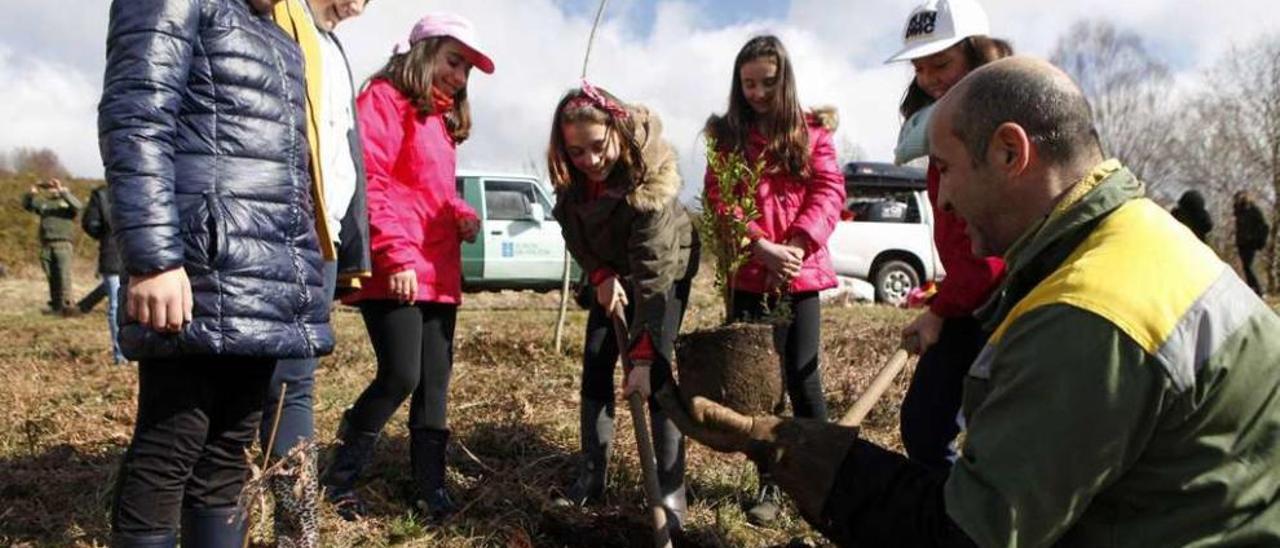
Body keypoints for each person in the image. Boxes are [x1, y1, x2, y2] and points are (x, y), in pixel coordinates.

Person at [662, 57, 1280, 547]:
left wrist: (778, 443)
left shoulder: (1088, 316)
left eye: (947, 170)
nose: (944, 199)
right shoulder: (1134, 239)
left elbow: (963, 534)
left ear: (1011, 154)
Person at [99, 0, 334, 546]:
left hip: (262, 273)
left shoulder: (275, 32)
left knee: (229, 451)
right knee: (170, 448)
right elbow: (136, 121)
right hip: (200, 266)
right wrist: (155, 258)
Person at [320, 12, 492, 522]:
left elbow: (429, 191)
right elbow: (372, 181)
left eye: (467, 70)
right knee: (400, 374)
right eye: (453, 61)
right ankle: (339, 477)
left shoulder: (440, 120)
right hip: (398, 266)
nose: (460, 77)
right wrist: (394, 254)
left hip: (438, 268)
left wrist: (459, 214)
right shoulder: (383, 99)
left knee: (435, 382)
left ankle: (430, 488)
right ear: (423, 52)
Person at [701, 34, 845, 525]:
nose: (757, 93)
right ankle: (771, 485)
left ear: (783, 80)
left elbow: (828, 190)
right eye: (748, 84)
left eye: (767, 82)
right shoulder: (727, 137)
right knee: (760, 388)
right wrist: (759, 245)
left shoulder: (811, 134)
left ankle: (824, 479)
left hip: (798, 277)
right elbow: (721, 200)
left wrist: (799, 246)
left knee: (804, 377)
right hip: (750, 276)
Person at [544, 83, 699, 533]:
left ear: (617, 132)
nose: (590, 160)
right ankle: (592, 474)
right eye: (576, 152)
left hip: (663, 270)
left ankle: (670, 490)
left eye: (598, 147)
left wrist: (645, 355)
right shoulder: (572, 187)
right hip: (612, 269)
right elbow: (577, 240)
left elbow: (653, 277)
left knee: (656, 372)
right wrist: (600, 277)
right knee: (597, 360)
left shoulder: (648, 186)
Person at [886, 0, 1012, 469]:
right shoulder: (944, 126)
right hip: (968, 296)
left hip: (1005, 301)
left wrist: (940, 310)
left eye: (941, 63)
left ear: (979, 55)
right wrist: (944, 298)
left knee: (992, 433)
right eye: (919, 68)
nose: (929, 77)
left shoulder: (998, 129)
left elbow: (992, 253)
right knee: (924, 424)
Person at [265, 0, 372, 543]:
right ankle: (235, 509)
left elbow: (344, 152)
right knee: (269, 381)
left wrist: (353, 245)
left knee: (298, 379)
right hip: (275, 231)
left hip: (321, 239)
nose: (361, 4)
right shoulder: (279, 18)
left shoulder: (335, 49)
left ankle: (295, 528)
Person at [81, 183, 126, 364]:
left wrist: (106, 236)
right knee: (122, 305)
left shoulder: (100, 194)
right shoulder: (143, 184)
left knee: (116, 306)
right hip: (140, 254)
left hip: (111, 254)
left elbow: (90, 223)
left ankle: (121, 356)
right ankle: (126, 354)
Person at [22, 178, 82, 314]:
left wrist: (63, 191)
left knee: (63, 276)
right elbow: (27, 206)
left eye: (54, 187)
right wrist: (31, 193)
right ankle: (56, 305)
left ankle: (67, 305)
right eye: (49, 187)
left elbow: (78, 206)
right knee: (51, 275)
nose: (52, 190)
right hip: (46, 245)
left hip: (63, 244)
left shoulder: (66, 203)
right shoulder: (44, 204)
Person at [1234, 190, 1269, 295]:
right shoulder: (1238, 211)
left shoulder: (1254, 210)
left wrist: (1259, 241)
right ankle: (1252, 290)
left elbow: (1264, 227)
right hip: (1242, 243)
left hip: (1251, 243)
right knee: (1245, 267)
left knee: (1249, 266)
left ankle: (1259, 290)